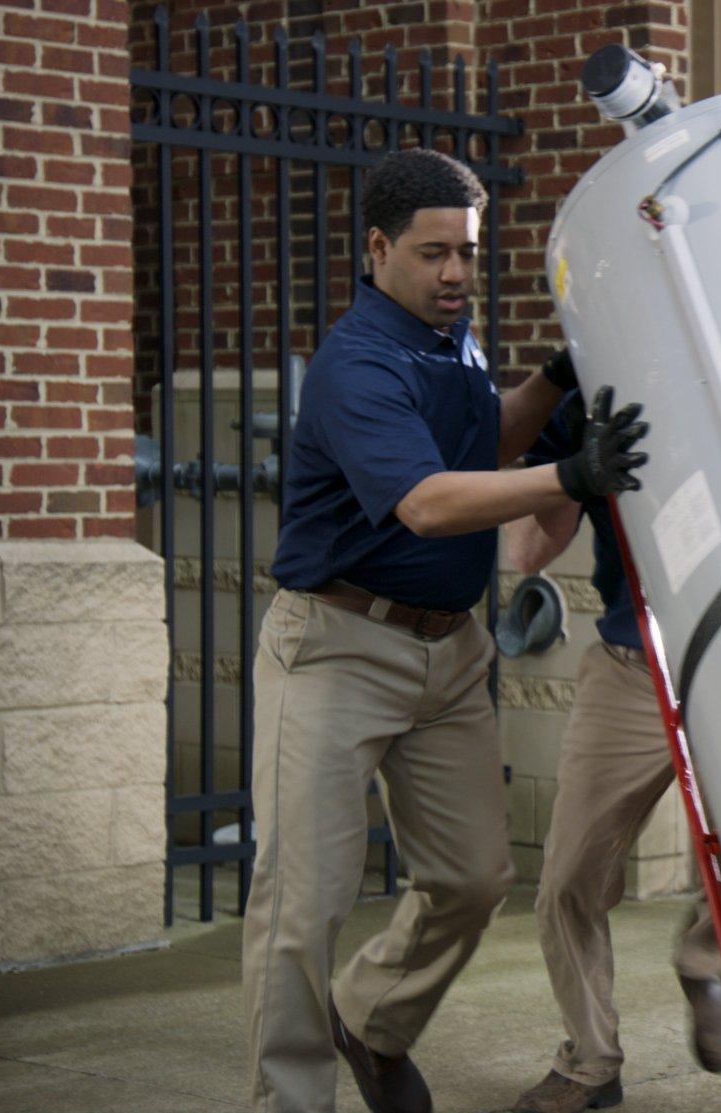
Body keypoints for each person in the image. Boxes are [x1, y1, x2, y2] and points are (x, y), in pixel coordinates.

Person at [245, 147, 647, 1113]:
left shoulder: (449, 338)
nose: (457, 274)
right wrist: (571, 478)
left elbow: (480, 444)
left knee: (472, 879)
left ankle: (372, 1021)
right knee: (302, 904)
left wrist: (554, 377)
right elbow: (426, 501)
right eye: (433, 254)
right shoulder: (357, 364)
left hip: (450, 654)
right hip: (337, 648)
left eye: (466, 252)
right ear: (379, 249)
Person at [498, 392, 721, 1113]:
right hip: (631, 662)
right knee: (569, 873)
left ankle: (706, 962)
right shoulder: (588, 389)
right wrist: (574, 472)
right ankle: (591, 1060)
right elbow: (527, 551)